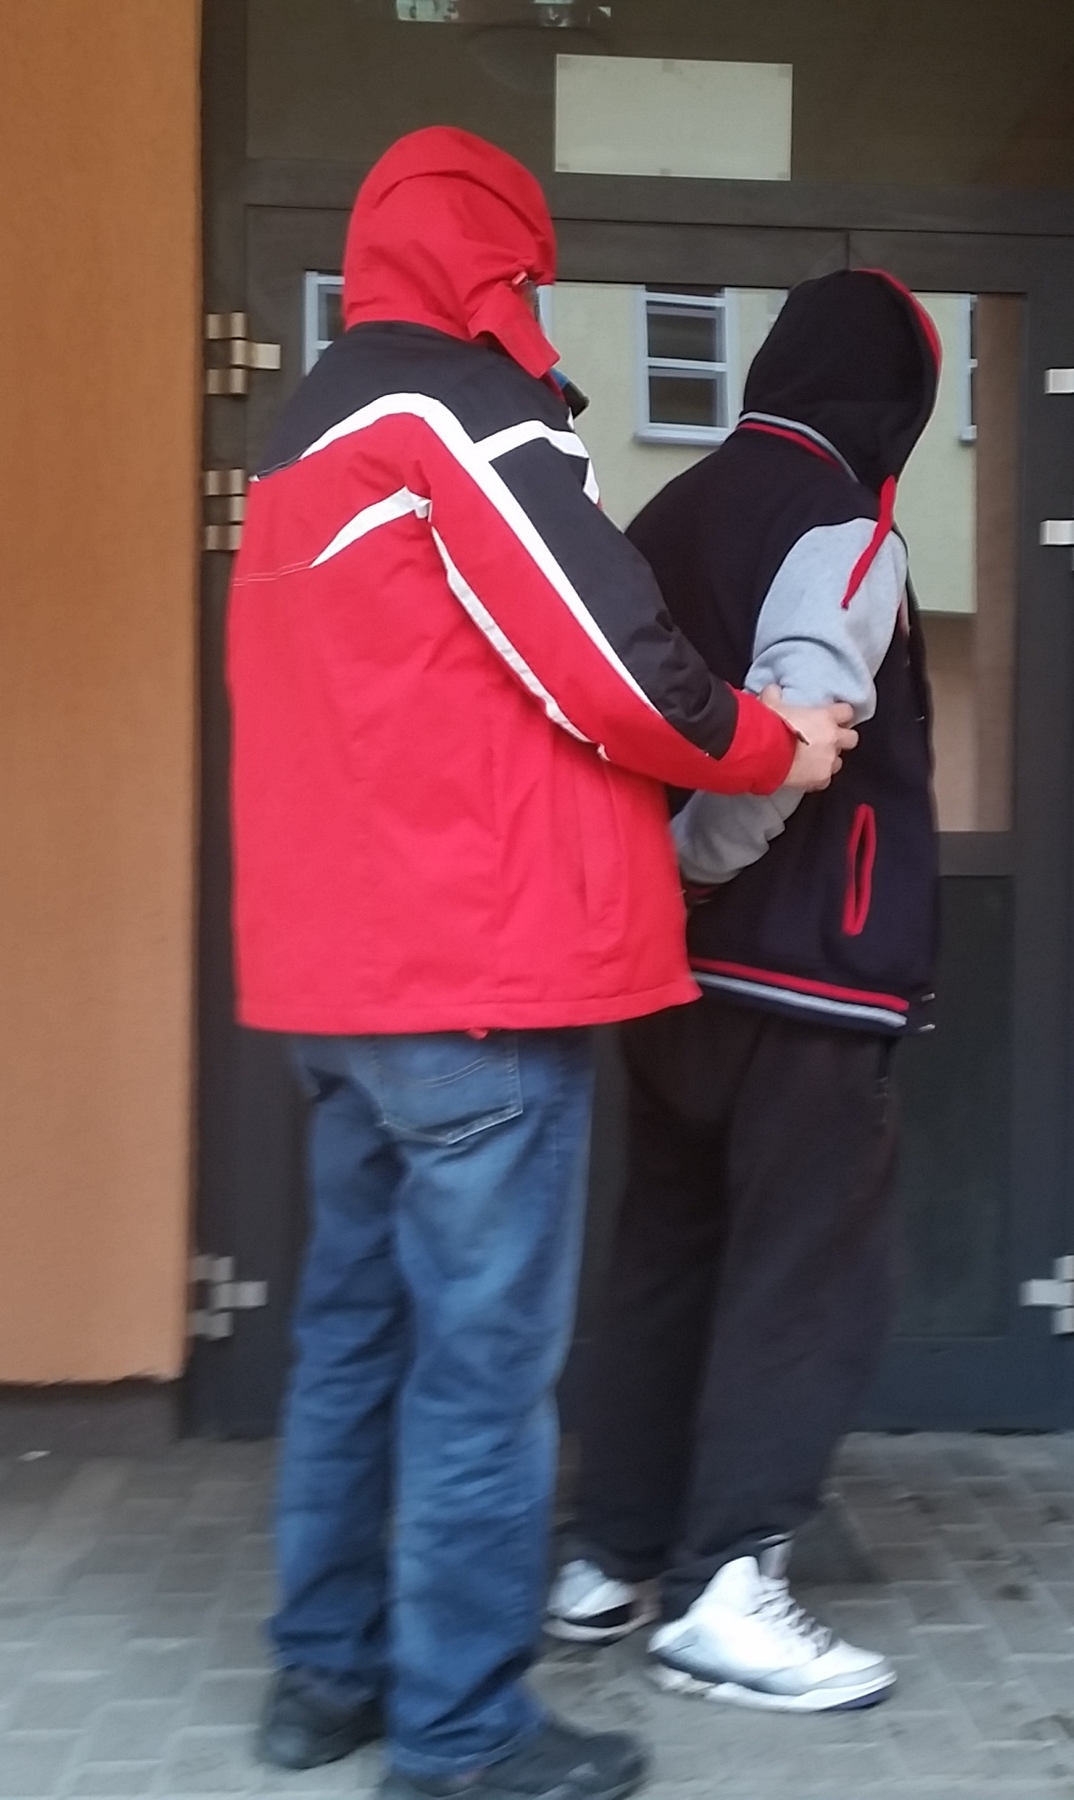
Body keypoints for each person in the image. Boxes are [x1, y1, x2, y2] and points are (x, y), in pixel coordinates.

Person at [223, 127, 856, 1800]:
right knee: (484, 1374)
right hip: (478, 984)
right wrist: (772, 743)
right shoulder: (463, 412)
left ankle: (325, 1677)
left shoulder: (297, 443)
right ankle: (460, 1734)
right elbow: (613, 666)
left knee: (354, 1337)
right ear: (496, 264)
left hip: (340, 986)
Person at [547, 270, 944, 1713]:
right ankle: (730, 1586)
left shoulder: (668, 515)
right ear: (893, 403)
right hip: (803, 974)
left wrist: (656, 893)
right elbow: (797, 725)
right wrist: (699, 872)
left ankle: (610, 1555)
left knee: (668, 1252)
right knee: (806, 1275)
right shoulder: (843, 530)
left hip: (672, 984)